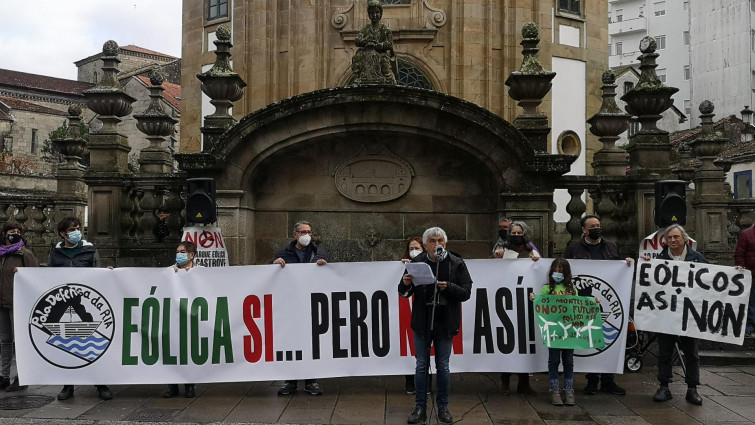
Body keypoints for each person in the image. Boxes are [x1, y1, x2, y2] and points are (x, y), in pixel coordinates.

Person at [399, 227, 472, 424]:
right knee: (421, 365)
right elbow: (403, 292)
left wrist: (449, 287)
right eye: (432, 241)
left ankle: (443, 407)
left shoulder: (457, 263)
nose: (437, 244)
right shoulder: (417, 262)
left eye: (440, 240)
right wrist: (406, 283)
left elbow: (466, 292)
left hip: (445, 322)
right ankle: (419, 407)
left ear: (445, 243)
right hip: (423, 322)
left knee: (443, 366)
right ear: (425, 245)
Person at [564, 214, 633, 396]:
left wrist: (626, 264)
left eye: (598, 225)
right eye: (592, 226)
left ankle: (608, 380)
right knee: (591, 337)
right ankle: (592, 380)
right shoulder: (573, 248)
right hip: (585, 301)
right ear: (584, 230)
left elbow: (617, 269)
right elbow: (565, 270)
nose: (597, 228)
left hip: (606, 301)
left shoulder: (611, 246)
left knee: (606, 337)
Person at [48, 217, 113, 401]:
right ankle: (68, 386)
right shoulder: (56, 252)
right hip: (62, 305)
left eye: (77, 227)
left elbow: (98, 273)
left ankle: (100, 384)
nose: (76, 231)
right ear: (62, 233)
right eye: (71, 229)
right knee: (65, 345)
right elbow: (47, 277)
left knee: (93, 343)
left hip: (84, 303)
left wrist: (107, 273)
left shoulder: (89, 250)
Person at [644, 224, 704, 405]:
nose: (673, 240)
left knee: (692, 353)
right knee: (665, 351)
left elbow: (712, 280)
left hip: (689, 315)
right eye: (669, 238)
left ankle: (692, 388)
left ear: (685, 239)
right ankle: (664, 386)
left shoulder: (697, 258)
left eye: (676, 237)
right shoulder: (659, 259)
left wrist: (736, 271)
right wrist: (645, 265)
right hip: (667, 315)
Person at [273, 221, 328, 396]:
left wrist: (325, 266)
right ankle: (291, 381)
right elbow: (268, 274)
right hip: (290, 305)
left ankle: (311, 381)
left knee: (311, 342)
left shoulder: (319, 253)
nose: (307, 235)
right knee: (291, 342)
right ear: (295, 234)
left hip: (312, 304)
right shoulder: (283, 254)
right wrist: (274, 264)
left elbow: (332, 275)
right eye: (304, 232)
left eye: (309, 232)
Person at [529, 258, 588, 406]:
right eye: (555, 270)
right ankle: (554, 390)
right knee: (554, 361)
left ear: (566, 273)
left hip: (569, 332)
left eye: (560, 271)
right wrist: (534, 299)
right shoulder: (547, 289)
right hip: (554, 331)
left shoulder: (572, 289)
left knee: (569, 361)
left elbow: (579, 307)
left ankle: (569, 391)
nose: (557, 273)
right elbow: (541, 305)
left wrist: (594, 302)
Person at [496, 220, 539, 396]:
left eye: (518, 232)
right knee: (507, 343)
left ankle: (524, 383)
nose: (515, 235)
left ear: (525, 233)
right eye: (512, 233)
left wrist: (537, 260)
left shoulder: (532, 252)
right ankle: (505, 383)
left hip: (525, 303)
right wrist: (497, 259)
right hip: (506, 302)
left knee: (524, 344)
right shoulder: (502, 251)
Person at [0, 221, 38, 391]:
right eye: (11, 231)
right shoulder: (1, 254)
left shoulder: (25, 254)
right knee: (5, 341)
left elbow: (35, 277)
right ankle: (4, 375)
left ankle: (21, 376)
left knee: (19, 341)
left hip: (18, 304)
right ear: (4, 234)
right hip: (2, 303)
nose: (15, 233)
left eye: (17, 231)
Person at [163, 241, 200, 398]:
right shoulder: (169, 271)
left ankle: (189, 384)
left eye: (182, 251)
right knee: (172, 349)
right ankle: (172, 385)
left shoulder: (201, 272)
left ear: (191, 255)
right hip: (173, 316)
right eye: (178, 251)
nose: (179, 254)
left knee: (189, 350)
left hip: (193, 317)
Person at [351, 0, 397, 84]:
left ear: (381, 13)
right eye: (372, 13)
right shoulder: (366, 29)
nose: (375, 15)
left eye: (377, 12)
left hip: (381, 54)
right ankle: (360, 78)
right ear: (369, 14)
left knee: (384, 62)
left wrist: (381, 45)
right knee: (357, 58)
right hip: (366, 52)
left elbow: (389, 43)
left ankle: (388, 79)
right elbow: (357, 40)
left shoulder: (385, 30)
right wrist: (366, 42)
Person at [400, 237, 425, 395]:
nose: (414, 251)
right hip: (406, 312)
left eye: (417, 248)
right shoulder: (403, 266)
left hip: (423, 312)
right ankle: (409, 380)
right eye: (411, 248)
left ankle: (425, 380)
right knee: (407, 346)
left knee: (424, 349)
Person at [734, 222, 755, 335]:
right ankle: (750, 324)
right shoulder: (746, 234)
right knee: (750, 301)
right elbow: (739, 253)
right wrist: (743, 270)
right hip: (750, 274)